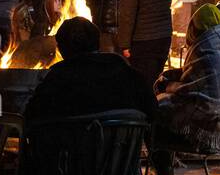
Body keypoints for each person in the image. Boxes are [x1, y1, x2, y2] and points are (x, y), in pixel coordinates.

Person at [150, 3, 220, 175]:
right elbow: (200, 81)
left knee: (152, 121)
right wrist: (178, 79)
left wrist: (167, 89)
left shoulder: (207, 55)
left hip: (212, 134)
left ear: (196, 29)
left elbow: (195, 104)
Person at [25, 18, 156, 123]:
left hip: (68, 154)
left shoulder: (56, 79)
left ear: (61, 49)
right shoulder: (127, 73)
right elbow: (153, 111)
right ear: (98, 44)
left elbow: (30, 115)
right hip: (119, 153)